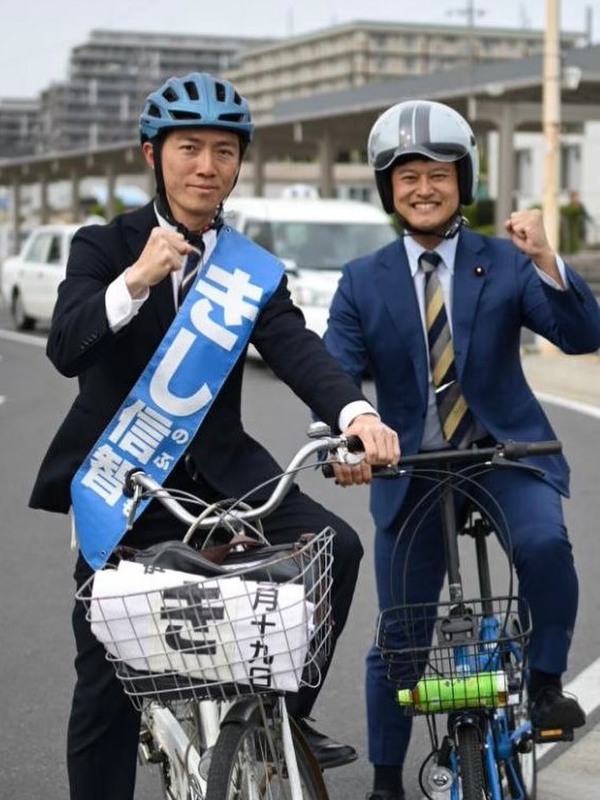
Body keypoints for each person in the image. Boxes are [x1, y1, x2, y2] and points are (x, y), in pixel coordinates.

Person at [29, 72, 400, 800]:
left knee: (337, 548)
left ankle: (286, 713)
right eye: (189, 148)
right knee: (106, 681)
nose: (207, 166)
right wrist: (136, 281)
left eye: (224, 151)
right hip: (127, 483)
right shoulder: (102, 246)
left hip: (227, 477)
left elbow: (296, 348)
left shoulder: (248, 270)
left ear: (238, 163)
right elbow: (67, 347)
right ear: (152, 155)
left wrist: (357, 416)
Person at [322, 99, 600, 800]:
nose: (424, 188)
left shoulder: (504, 261)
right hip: (410, 468)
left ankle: (543, 684)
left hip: (504, 453)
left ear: (463, 181)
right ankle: (386, 780)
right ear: (388, 187)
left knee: (544, 546)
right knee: (401, 635)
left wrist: (547, 260)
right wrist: (345, 441)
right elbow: (336, 374)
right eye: (407, 176)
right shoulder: (362, 280)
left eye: (439, 174)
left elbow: (581, 336)